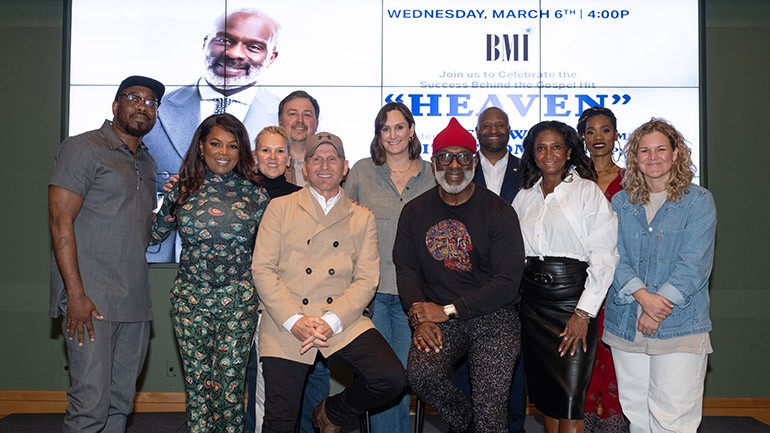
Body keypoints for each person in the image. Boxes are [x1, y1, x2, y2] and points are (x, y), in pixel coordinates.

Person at [252, 132, 406, 433]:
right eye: (316, 158)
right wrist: (294, 320)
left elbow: (366, 279)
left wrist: (332, 321)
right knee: (280, 420)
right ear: (305, 167)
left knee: (390, 377)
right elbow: (263, 270)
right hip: (286, 318)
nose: (325, 165)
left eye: (332, 158)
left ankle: (332, 412)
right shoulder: (280, 208)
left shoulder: (361, 217)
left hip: (341, 318)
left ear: (344, 166)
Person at [48, 75, 164, 433]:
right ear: (116, 106)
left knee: (119, 404)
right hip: (91, 302)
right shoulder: (83, 148)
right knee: (89, 405)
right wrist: (76, 296)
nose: (142, 106)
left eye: (151, 102)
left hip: (135, 303)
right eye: (133, 98)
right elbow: (59, 221)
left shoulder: (146, 161)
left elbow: (135, 227)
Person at [394, 117, 525, 433]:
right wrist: (421, 316)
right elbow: (407, 269)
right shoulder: (414, 212)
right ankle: (469, 423)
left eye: (463, 157)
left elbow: (507, 283)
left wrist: (446, 311)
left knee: (491, 410)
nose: (454, 164)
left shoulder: (498, 212)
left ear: (474, 161)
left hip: (494, 318)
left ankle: (484, 423)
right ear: (433, 162)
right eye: (445, 157)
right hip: (441, 321)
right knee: (421, 374)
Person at [150, 113, 270, 433]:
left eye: (232, 146)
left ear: (241, 151)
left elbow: (274, 251)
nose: (223, 152)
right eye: (215, 143)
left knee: (230, 386)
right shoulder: (182, 189)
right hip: (191, 299)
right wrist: (163, 199)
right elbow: (154, 235)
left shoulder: (256, 195)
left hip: (238, 299)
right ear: (201, 146)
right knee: (199, 387)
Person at [603, 119, 716, 433]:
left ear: (676, 153)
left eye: (661, 149)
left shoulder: (698, 201)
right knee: (637, 415)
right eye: (644, 150)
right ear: (635, 157)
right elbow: (614, 256)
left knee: (672, 419)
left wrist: (657, 308)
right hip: (627, 323)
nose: (653, 157)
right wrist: (642, 298)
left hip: (680, 325)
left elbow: (694, 265)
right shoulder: (621, 203)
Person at [144, 7, 281, 262]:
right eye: (224, 40)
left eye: (253, 46)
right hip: (169, 277)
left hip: (242, 286)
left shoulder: (284, 118)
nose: (234, 53)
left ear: (271, 57)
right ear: (206, 42)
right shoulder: (155, 112)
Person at [512, 120, 618, 433]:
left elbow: (604, 257)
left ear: (569, 151)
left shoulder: (586, 191)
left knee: (571, 399)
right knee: (548, 398)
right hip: (532, 307)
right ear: (532, 152)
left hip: (573, 303)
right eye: (541, 147)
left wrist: (584, 313)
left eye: (556, 146)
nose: (548, 154)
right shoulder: (525, 196)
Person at [344, 102, 436, 433]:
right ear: (378, 135)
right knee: (383, 377)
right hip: (370, 292)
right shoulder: (362, 171)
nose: (393, 134)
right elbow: (341, 223)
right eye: (385, 128)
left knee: (403, 376)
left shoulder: (433, 173)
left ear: (411, 130)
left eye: (399, 127)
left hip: (414, 295)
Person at [453, 106, 527, 433]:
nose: (493, 129)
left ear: (510, 129)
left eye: (500, 124)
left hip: (516, 285)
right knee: (463, 370)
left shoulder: (528, 171)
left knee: (512, 371)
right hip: (468, 284)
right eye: (487, 125)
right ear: (477, 130)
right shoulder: (461, 169)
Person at [245, 126, 302, 433]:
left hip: (282, 300)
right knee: (245, 376)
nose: (273, 157)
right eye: (266, 150)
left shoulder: (300, 198)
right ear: (255, 157)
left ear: (289, 158)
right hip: (242, 296)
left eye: (280, 150)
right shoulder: (241, 193)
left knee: (269, 378)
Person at [576, 107, 628, 433]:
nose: (598, 137)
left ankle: (613, 424)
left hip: (622, 283)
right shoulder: (572, 181)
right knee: (582, 358)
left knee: (615, 360)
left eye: (605, 130)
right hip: (580, 284)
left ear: (615, 135)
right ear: (582, 137)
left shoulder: (630, 181)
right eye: (591, 131)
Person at [277, 90, 321, 187]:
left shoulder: (332, 167)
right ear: (280, 121)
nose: (300, 120)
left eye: (307, 115)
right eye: (293, 114)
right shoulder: (262, 164)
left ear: (317, 123)